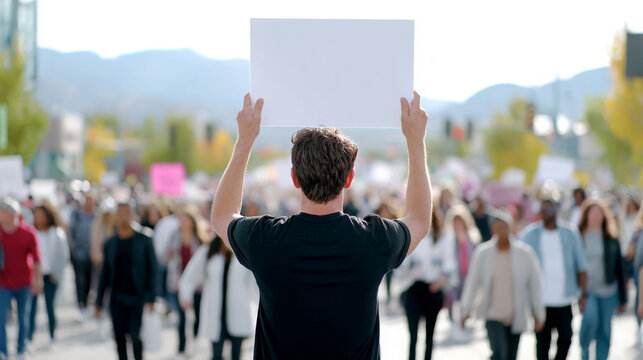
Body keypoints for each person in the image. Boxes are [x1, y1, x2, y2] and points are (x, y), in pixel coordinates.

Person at [210, 92, 431, 359]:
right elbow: (419, 219)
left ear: (294, 178)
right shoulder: (374, 240)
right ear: (349, 179)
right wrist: (415, 141)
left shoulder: (264, 239)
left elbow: (222, 215)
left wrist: (244, 141)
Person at [461, 210, 545, 360]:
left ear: (510, 227)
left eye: (504, 227)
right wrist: (466, 310)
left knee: (511, 355)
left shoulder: (524, 253)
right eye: (497, 228)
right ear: (492, 230)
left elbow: (535, 285)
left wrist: (538, 313)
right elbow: (472, 282)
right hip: (493, 314)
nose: (501, 232)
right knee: (499, 354)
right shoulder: (483, 253)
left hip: (515, 315)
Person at [520, 197, 588, 360]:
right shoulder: (530, 234)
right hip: (541, 301)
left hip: (564, 299)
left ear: (556, 211)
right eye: (542, 210)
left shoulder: (570, 233)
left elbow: (581, 265)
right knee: (542, 342)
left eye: (549, 210)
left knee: (566, 338)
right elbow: (522, 264)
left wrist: (584, 294)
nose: (545, 214)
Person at [96, 201, 157, 360]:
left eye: (127, 212)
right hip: (117, 298)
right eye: (120, 213)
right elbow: (105, 274)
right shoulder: (111, 242)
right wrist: (98, 302)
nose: (123, 216)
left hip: (137, 297)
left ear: (133, 214)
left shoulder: (144, 239)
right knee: (119, 338)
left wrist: (151, 297)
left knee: (135, 336)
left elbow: (153, 270)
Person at [179, 235, 256, 360]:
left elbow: (256, 282)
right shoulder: (208, 251)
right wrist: (185, 296)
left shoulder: (244, 250)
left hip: (239, 310)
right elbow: (190, 276)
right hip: (215, 313)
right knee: (216, 354)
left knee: (237, 354)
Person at [398, 208, 455, 360]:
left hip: (434, 288)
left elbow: (449, 263)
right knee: (413, 334)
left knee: (430, 334)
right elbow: (401, 263)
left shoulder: (443, 237)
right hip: (413, 288)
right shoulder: (409, 234)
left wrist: (441, 280)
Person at [576, 199, 627, 360]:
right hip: (587, 290)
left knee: (605, 328)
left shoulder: (610, 238)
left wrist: (623, 298)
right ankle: (584, 348)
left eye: (599, 213)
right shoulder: (578, 236)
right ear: (586, 215)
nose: (596, 216)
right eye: (593, 213)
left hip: (608, 290)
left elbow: (620, 268)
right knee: (590, 319)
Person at [0, 197, 42, 360]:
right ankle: (3, 351)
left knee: (23, 318)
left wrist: (38, 280)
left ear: (12, 214)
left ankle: (20, 349)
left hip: (24, 282)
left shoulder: (28, 232)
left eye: (3, 212)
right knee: (1, 318)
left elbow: (37, 259)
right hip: (3, 283)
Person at [28, 201, 70, 347]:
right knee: (31, 308)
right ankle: (29, 338)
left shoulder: (57, 233)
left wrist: (55, 274)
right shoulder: (31, 232)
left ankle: (52, 335)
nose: (39, 218)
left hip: (50, 276)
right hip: (34, 277)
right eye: (36, 215)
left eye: (41, 215)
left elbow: (63, 255)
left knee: (50, 307)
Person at [166, 206, 205, 356]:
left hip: (196, 284)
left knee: (197, 314)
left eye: (186, 218)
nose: (183, 221)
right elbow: (165, 256)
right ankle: (181, 348)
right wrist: (169, 254)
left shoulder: (200, 238)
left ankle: (194, 342)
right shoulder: (174, 235)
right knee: (181, 317)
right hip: (178, 281)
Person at [442, 203, 481, 334]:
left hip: (469, 273)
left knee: (467, 298)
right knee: (453, 298)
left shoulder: (473, 236)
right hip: (455, 274)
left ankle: (464, 320)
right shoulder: (449, 239)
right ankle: (455, 323)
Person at [69, 194, 97, 315]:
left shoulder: (96, 216)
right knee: (80, 280)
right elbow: (71, 233)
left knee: (90, 279)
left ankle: (87, 302)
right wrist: (74, 248)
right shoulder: (76, 215)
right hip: (79, 253)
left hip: (91, 253)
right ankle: (81, 303)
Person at [375, 201, 400, 305]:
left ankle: (391, 296)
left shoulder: (394, 223)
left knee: (391, 278)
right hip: (381, 255)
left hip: (392, 255)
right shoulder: (376, 223)